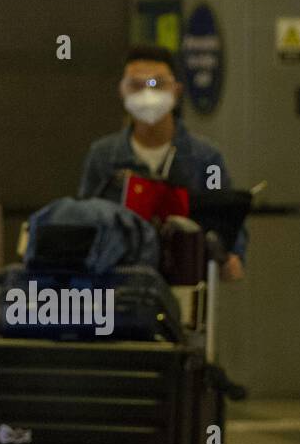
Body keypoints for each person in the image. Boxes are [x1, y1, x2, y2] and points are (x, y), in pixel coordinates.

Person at [78, 44, 246, 280]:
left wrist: (231, 257)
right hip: (119, 287)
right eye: (136, 85)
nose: (148, 93)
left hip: (186, 281)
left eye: (157, 83)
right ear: (122, 90)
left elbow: (226, 219)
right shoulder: (104, 156)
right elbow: (85, 221)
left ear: (177, 90)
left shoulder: (206, 158)